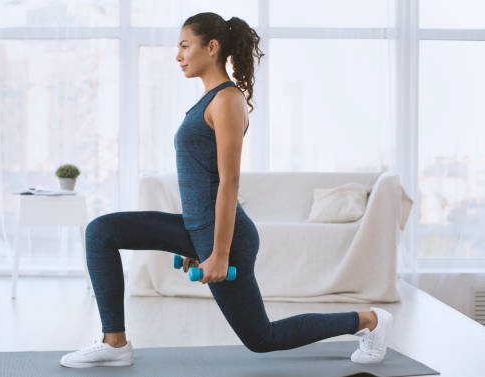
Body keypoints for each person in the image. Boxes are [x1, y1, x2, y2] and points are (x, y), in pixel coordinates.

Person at [60, 12, 393, 369]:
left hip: (227, 237)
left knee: (262, 338)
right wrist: (191, 244)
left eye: (185, 46)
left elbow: (229, 181)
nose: (178, 55)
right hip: (196, 228)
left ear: (212, 47)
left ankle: (369, 320)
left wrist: (217, 253)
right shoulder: (208, 100)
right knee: (101, 232)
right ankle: (114, 342)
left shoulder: (226, 100)